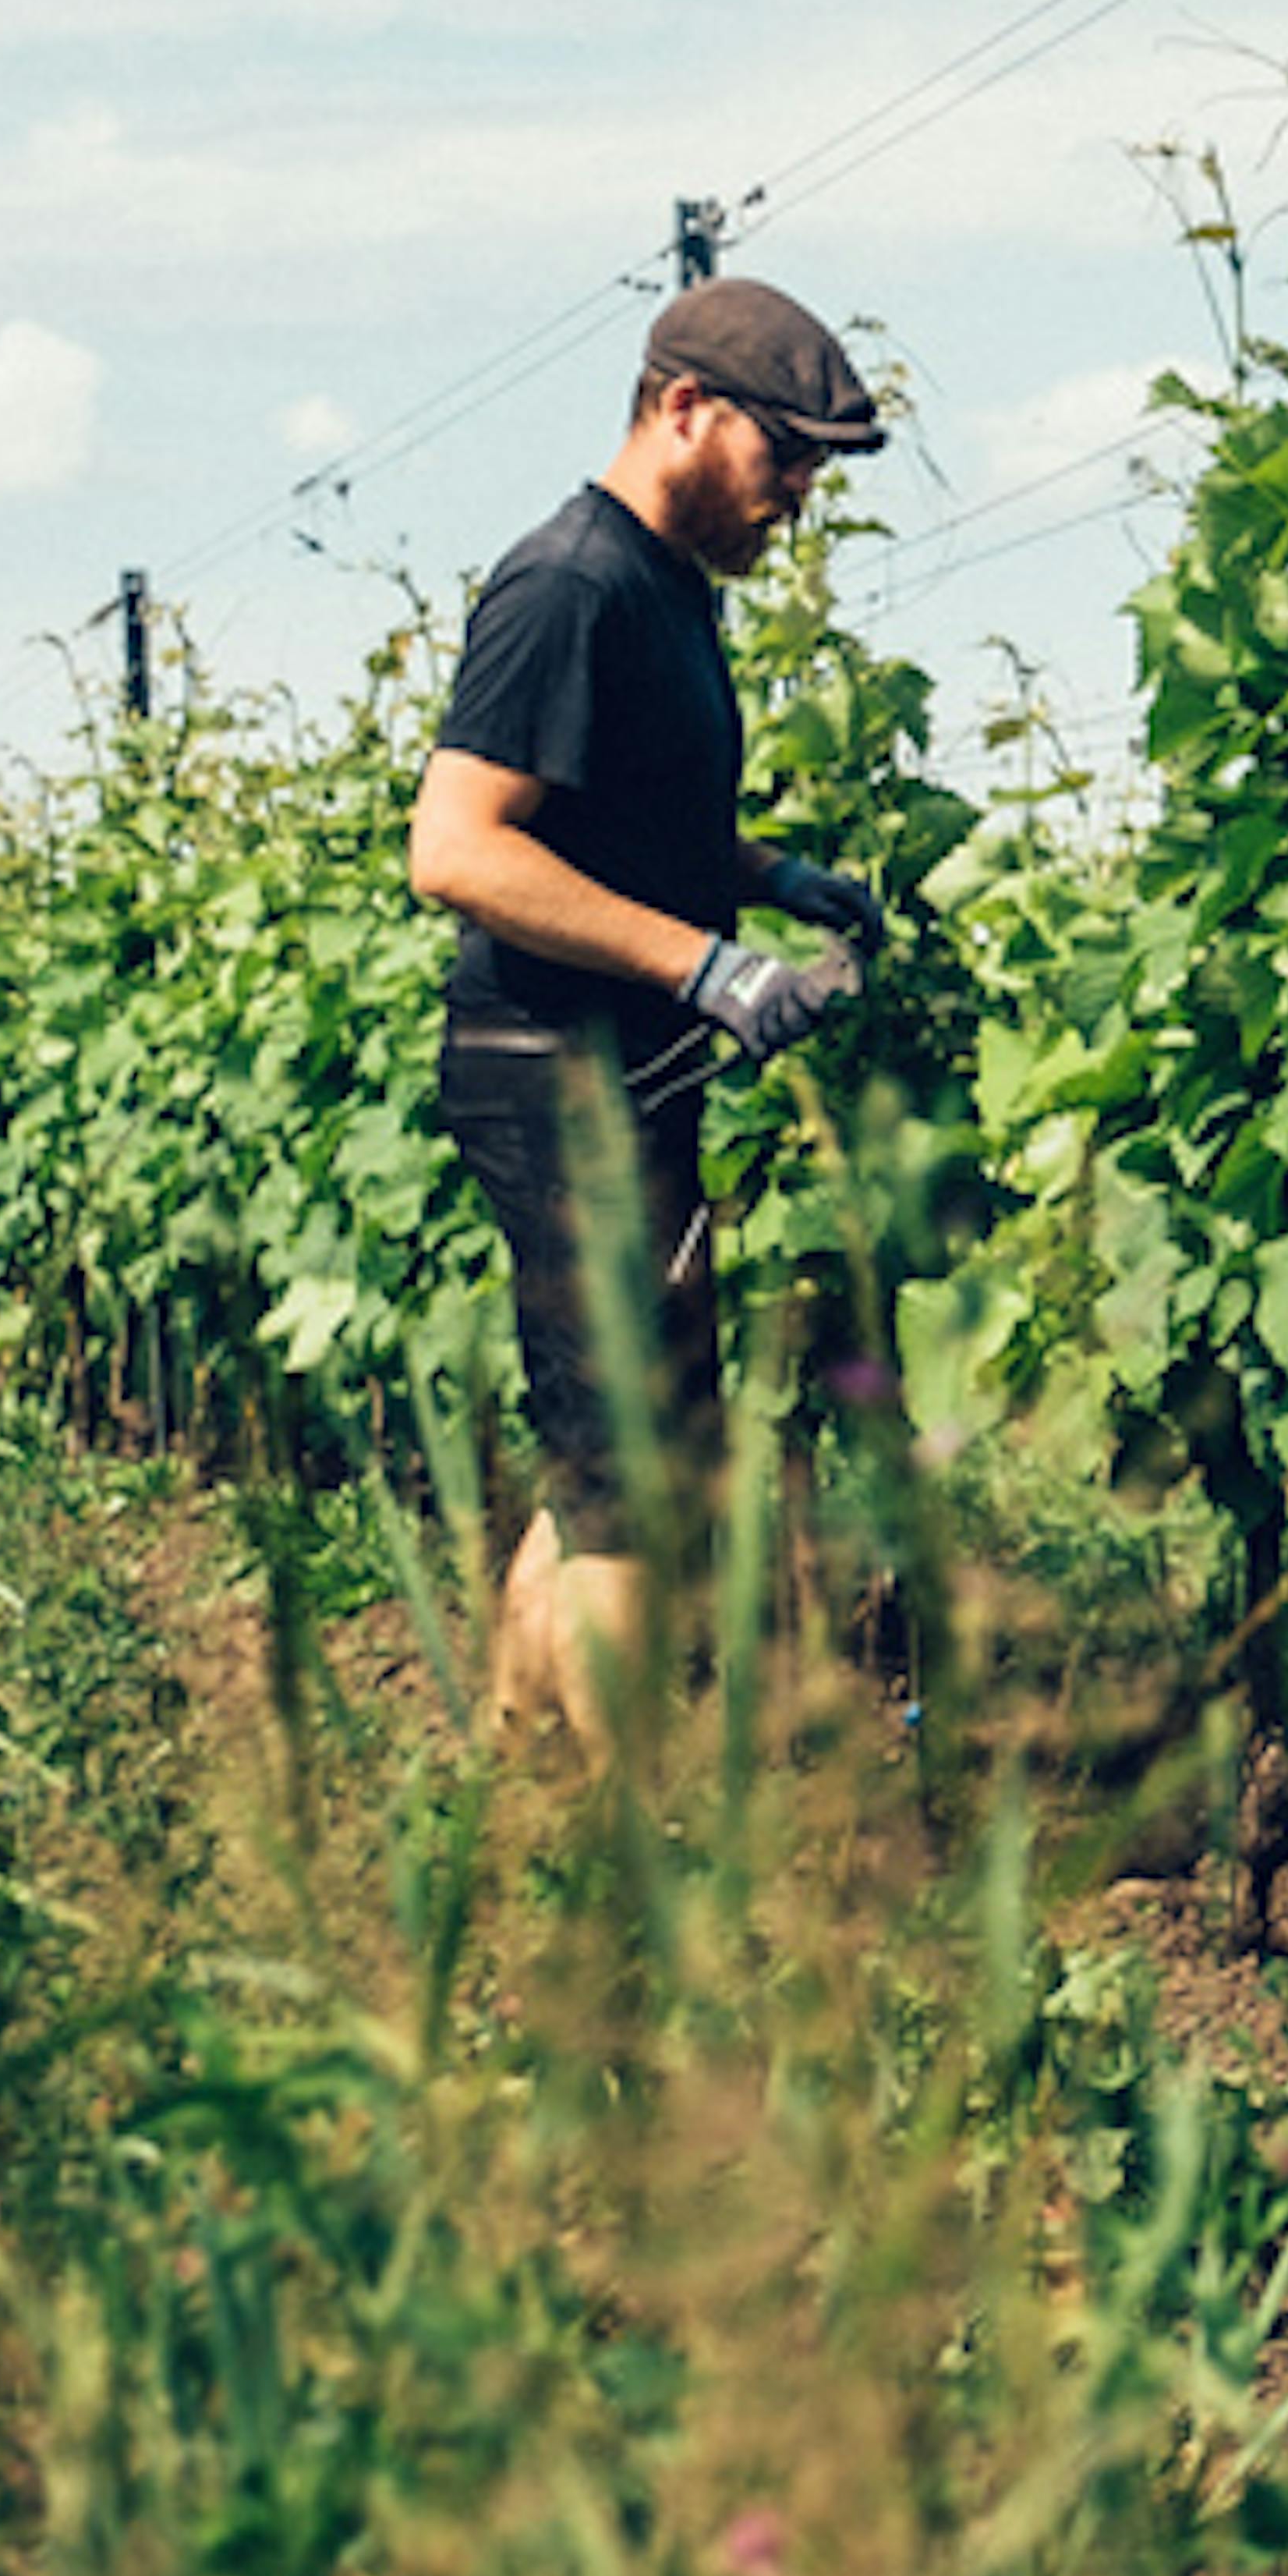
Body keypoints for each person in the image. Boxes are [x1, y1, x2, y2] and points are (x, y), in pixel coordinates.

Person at [406, 275, 891, 1746]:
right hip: (553, 1071)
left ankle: (516, 1749)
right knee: (629, 1475)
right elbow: (459, 848)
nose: (799, 495)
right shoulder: (571, 585)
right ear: (685, 410)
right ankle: (633, 1858)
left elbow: (622, 820)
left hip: (623, 1073)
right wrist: (704, 962)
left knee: (621, 1450)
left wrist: (775, 878)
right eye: (784, 455)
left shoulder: (666, 593)